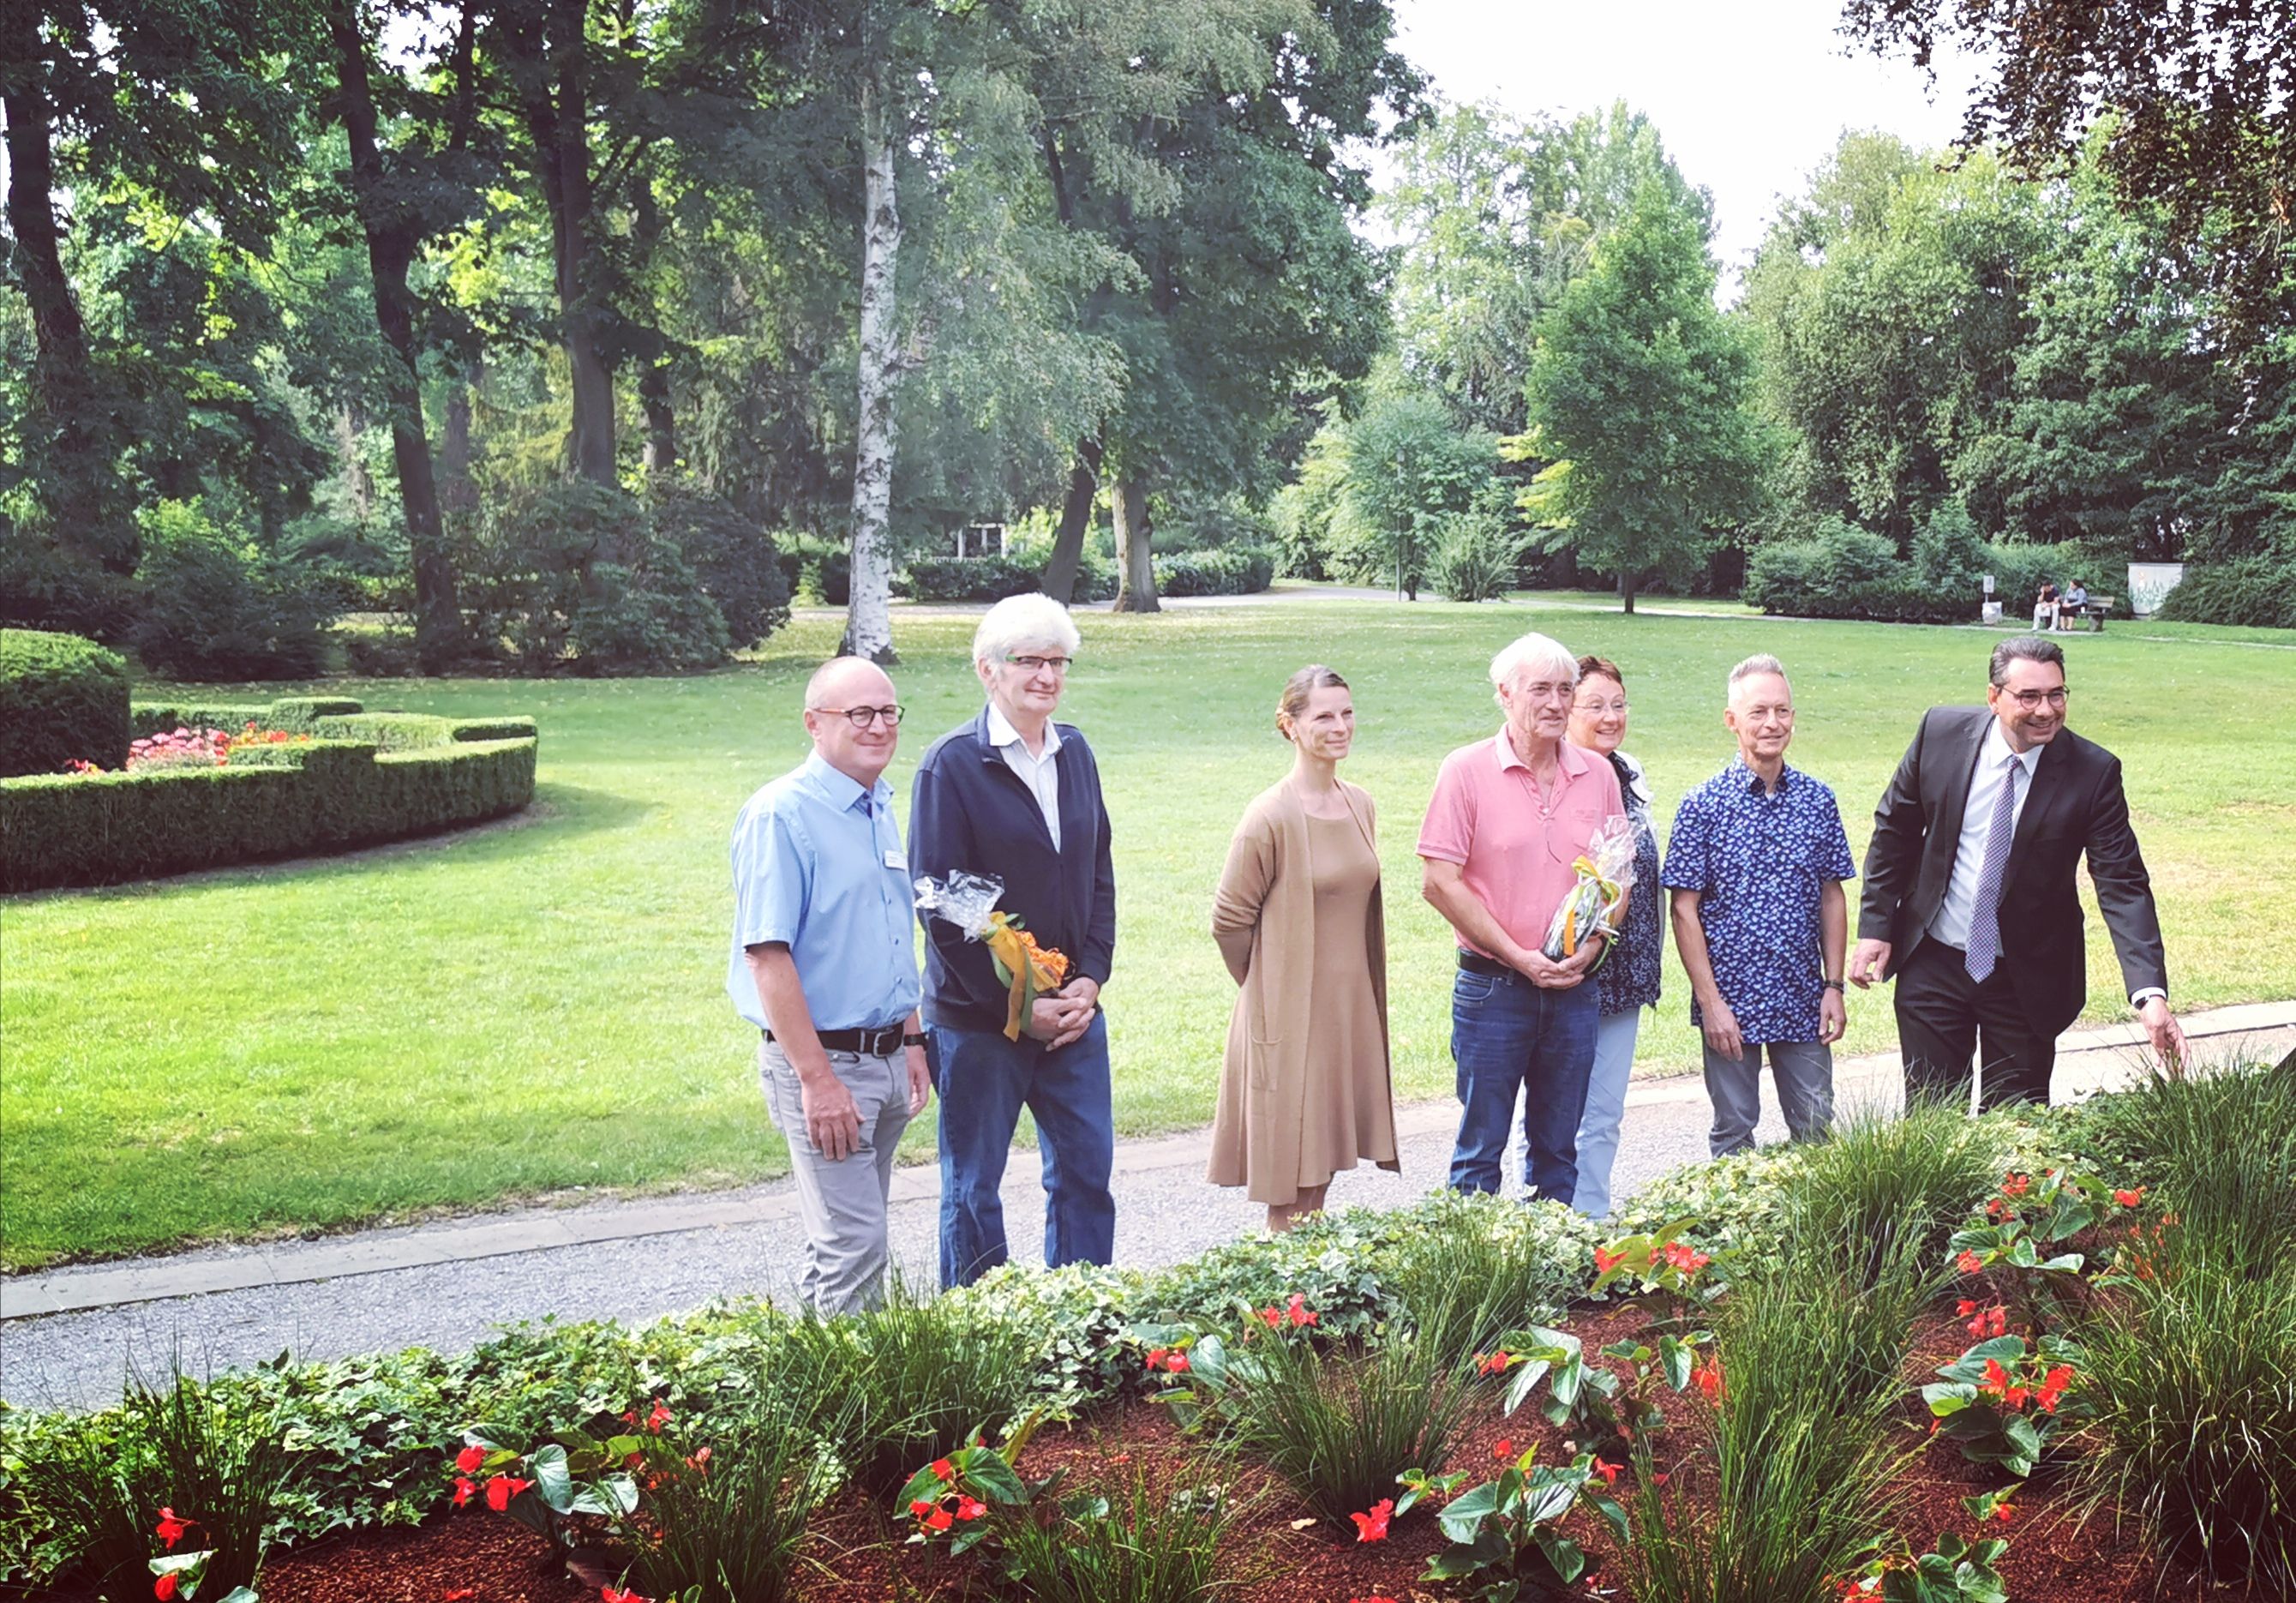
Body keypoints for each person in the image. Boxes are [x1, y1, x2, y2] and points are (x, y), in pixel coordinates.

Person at [1849, 636, 2186, 1109]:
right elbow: (1895, 830)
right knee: (1929, 1119)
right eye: (2028, 697)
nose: (2045, 710)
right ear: (1994, 697)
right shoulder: (1940, 733)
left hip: (2026, 977)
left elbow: (2122, 882)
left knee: (2015, 1135)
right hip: (1934, 960)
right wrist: (1877, 927)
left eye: (2056, 694)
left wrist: (2149, 993)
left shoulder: (2093, 773)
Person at [909, 593, 1117, 1288]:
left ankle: (1081, 1330)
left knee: (1086, 1178)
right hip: (978, 1025)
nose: (1046, 676)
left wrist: (1089, 977)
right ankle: (980, 1344)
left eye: (1058, 661)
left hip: (1072, 1017)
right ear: (986, 670)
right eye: (1028, 660)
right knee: (974, 1191)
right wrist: (1018, 1011)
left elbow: (1097, 874)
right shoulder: (952, 767)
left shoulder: (1076, 752)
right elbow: (942, 909)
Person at [727, 657, 932, 1313]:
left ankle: (813, 1379)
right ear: (814, 724)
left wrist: (913, 1040)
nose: (878, 726)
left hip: (886, 1057)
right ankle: (855, 1409)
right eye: (859, 713)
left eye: (889, 711)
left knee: (841, 1242)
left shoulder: (876, 806)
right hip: (824, 1066)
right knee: (856, 1243)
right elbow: (766, 958)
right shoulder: (781, 815)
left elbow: (888, 932)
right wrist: (817, 1082)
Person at [1418, 632, 1623, 1206]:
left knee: (1558, 1153)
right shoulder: (1465, 771)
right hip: (1493, 989)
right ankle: (1478, 1278)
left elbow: (1617, 874)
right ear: (1504, 694)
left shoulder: (1597, 775)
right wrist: (1519, 957)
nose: (1556, 704)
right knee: (1479, 1150)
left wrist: (1596, 943)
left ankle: (1551, 1280)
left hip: (1573, 991)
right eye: (1540, 690)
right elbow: (1438, 883)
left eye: (1565, 690)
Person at [1209, 666, 1399, 1234]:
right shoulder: (1268, 816)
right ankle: (1279, 1311)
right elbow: (1228, 920)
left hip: (1347, 1013)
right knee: (1291, 1184)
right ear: (1288, 725)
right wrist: (1267, 986)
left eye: (1346, 712)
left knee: (1320, 1178)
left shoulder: (1359, 803)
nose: (1339, 726)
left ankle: (1307, 1303)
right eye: (1322, 715)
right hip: (1290, 1016)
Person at [1662, 654, 1854, 1157]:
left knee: (1816, 1130)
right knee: (1733, 1131)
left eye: (1782, 711)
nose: (1773, 723)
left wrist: (1833, 986)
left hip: (1802, 997)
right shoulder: (1702, 805)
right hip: (1730, 1002)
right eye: (1758, 712)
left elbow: (1832, 894)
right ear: (1732, 721)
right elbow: (1683, 910)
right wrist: (1709, 1004)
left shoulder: (1818, 799)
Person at [1566, 656, 1662, 1219]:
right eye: (1594, 706)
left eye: (1618, 704)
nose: (1609, 716)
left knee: (1603, 1112)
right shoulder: (1556, 778)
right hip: (1569, 972)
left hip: (1626, 976)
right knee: (1557, 1115)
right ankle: (1554, 1221)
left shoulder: (1629, 772)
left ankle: (1592, 1222)